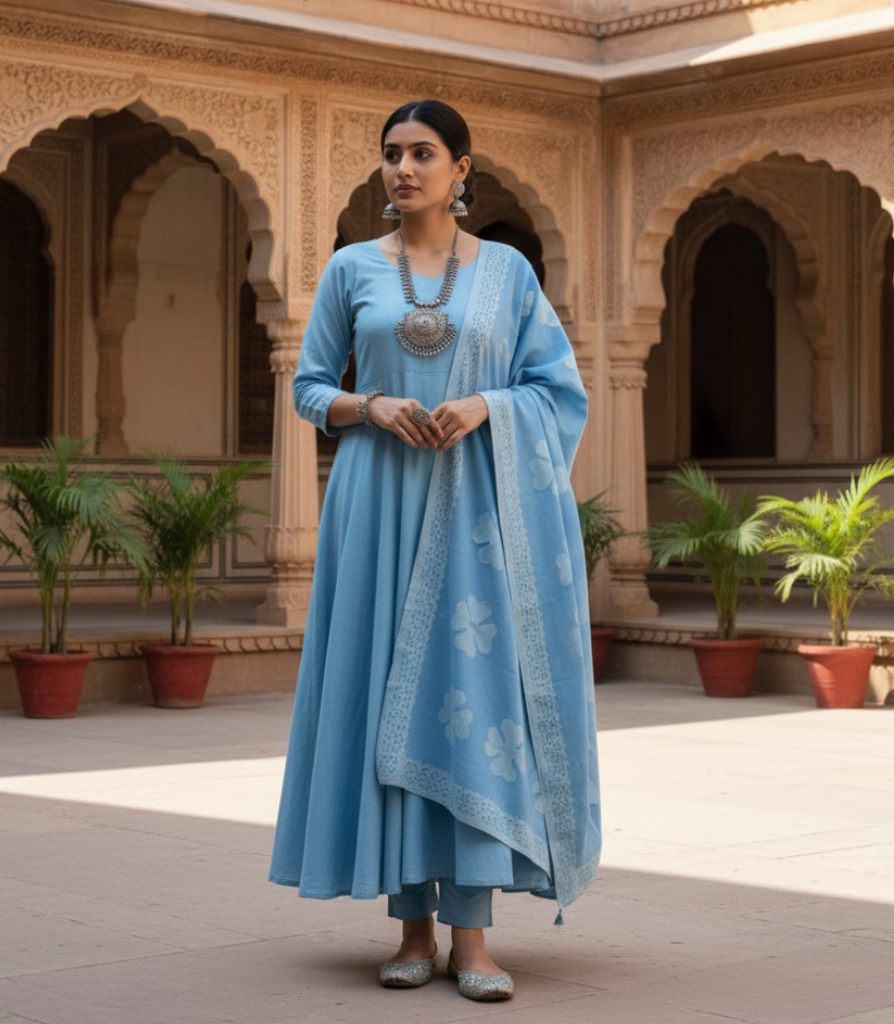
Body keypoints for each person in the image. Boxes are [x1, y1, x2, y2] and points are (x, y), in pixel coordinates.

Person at [268, 98, 601, 1002]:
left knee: (469, 696)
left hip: (479, 515)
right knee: (386, 698)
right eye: (391, 154)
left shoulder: (508, 274)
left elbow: (557, 391)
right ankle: (412, 928)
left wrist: (487, 406)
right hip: (377, 506)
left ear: (462, 169)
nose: (402, 169)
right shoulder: (350, 270)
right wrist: (369, 406)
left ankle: (475, 936)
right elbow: (306, 388)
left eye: (422, 154)